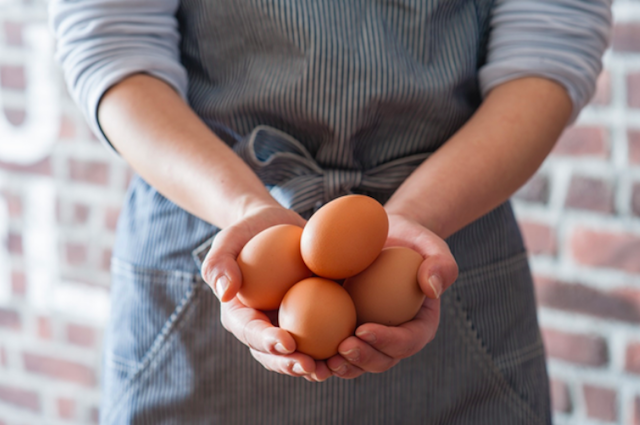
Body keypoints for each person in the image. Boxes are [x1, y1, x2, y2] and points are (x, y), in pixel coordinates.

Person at [50, 0, 611, 423]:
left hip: (446, 237)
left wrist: (412, 221)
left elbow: (550, 42)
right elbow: (112, 47)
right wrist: (247, 209)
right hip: (211, 226)